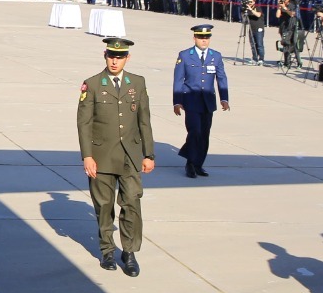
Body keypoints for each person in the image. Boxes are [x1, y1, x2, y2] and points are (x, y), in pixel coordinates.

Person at [77, 37, 156, 276]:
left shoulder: (138, 83)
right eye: (111, 56)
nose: (115, 60)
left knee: (132, 202)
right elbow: (84, 123)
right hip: (101, 156)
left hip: (130, 156)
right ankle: (107, 250)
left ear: (127, 58)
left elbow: (144, 120)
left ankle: (129, 252)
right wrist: (87, 156)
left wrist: (149, 153)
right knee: (104, 205)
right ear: (105, 55)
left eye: (119, 57)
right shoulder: (92, 84)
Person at [172, 24, 229, 179]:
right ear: (194, 38)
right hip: (190, 100)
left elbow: (221, 78)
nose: (204, 41)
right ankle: (190, 162)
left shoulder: (215, 56)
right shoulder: (185, 55)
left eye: (206, 38)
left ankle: (198, 164)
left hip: (208, 102)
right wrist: (177, 101)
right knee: (195, 131)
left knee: (204, 134)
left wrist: (224, 98)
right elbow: (178, 80)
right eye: (200, 37)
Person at [242, 0, 265, 64]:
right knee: (253, 44)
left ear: (254, 2)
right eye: (248, 2)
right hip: (251, 28)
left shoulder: (257, 7)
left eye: (251, 2)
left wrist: (251, 10)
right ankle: (255, 58)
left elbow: (258, 15)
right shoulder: (247, 9)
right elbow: (244, 19)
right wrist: (244, 11)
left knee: (259, 44)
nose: (250, 3)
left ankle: (261, 59)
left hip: (259, 28)